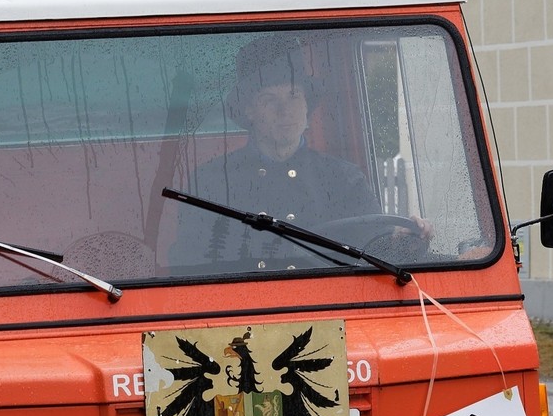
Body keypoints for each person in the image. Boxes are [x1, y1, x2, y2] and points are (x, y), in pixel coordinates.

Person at [170, 36, 425, 271]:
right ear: (249, 111)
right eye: (270, 100)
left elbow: (376, 254)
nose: (285, 111)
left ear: (307, 106)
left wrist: (407, 242)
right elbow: (190, 268)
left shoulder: (343, 179)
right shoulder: (212, 182)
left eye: (294, 96)